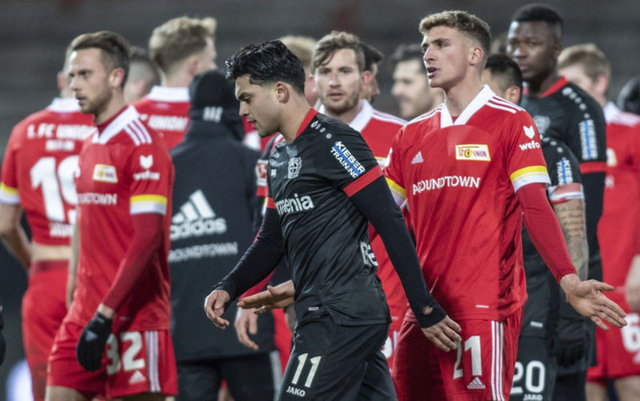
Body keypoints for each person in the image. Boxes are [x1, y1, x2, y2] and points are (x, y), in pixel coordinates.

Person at [382, 10, 625, 401]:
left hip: (483, 307)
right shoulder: (410, 134)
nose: (428, 54)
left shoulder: (512, 122)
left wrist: (568, 280)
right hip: (424, 310)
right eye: (426, 46)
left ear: (475, 55)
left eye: (441, 44)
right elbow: (378, 217)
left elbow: (536, 207)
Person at [204, 39, 461, 401]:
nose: (242, 110)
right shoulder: (278, 154)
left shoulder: (335, 141)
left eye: (247, 98)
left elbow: (389, 220)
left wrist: (424, 306)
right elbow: (271, 239)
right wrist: (229, 286)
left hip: (341, 314)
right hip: (330, 313)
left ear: (280, 92)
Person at [45, 31, 176, 401]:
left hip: (135, 316)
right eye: (72, 75)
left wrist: (106, 312)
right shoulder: (91, 142)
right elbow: (84, 221)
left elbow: (147, 237)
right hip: (84, 314)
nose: (74, 85)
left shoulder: (143, 144)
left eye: (85, 75)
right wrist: (75, 284)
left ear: (117, 77)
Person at [506, 6, 608, 399]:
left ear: (556, 49)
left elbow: (589, 208)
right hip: (523, 277)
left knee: (564, 387)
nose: (519, 51)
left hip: (566, 275)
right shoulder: (512, 106)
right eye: (514, 42)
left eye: (531, 43)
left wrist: (571, 310)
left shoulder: (579, 109)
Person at [169, 69, 280, 401]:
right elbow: (271, 237)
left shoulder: (166, 167)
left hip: (186, 333)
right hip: (246, 326)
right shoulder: (253, 162)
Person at [484, 53, 589, 401]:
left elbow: (575, 236)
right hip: (474, 314)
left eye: (484, 93)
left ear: (512, 95)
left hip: (534, 314)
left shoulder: (552, 154)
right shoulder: (462, 151)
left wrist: (571, 316)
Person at [311, 30, 410, 369]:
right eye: (325, 71)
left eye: (344, 71)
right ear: (312, 79)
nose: (334, 81)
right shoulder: (290, 142)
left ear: (365, 78)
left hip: (388, 300)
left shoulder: (401, 135)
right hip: (318, 301)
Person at [0, 45, 94, 401]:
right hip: (96, 279)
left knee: (49, 389)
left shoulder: (23, 132)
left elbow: (5, 225)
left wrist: (33, 264)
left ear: (60, 80)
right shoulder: (105, 130)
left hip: (45, 276)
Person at [558, 43, 640, 401]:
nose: (568, 95)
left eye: (576, 84)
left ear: (600, 82)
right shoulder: (562, 138)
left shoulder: (631, 130)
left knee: (632, 384)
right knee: (587, 385)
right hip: (585, 283)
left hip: (628, 282)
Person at [134, 16, 217, 149]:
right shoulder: (217, 118)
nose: (214, 68)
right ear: (194, 65)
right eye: (212, 60)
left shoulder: (129, 116)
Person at [390, 43, 444, 120]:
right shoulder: (403, 127)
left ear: (438, 85)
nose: (396, 91)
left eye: (407, 82)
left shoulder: (459, 126)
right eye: (396, 82)